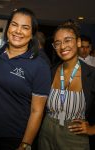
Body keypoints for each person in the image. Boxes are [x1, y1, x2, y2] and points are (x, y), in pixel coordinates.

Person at [0, 8, 51, 150]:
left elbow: (37, 111)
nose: (18, 31)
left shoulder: (40, 66)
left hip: (14, 138)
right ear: (8, 27)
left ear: (32, 34)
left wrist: (25, 144)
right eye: (14, 24)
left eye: (25, 27)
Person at [38, 20, 95, 150]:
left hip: (75, 137)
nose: (63, 46)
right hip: (46, 132)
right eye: (57, 43)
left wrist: (92, 129)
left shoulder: (91, 75)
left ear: (78, 42)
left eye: (68, 40)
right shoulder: (50, 72)